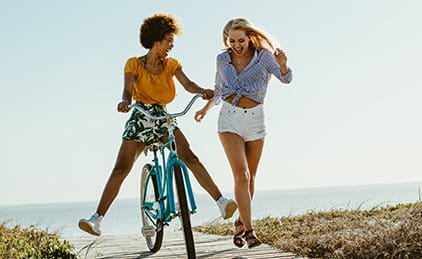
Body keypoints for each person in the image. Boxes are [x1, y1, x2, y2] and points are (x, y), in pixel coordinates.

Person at [78, 13, 237, 236]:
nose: (171, 45)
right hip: (140, 116)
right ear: (155, 40)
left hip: (162, 118)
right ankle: (96, 219)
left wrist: (201, 91)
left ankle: (221, 202)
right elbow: (127, 91)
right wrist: (125, 102)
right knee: (121, 168)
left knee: (189, 157)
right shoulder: (134, 64)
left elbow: (188, 84)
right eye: (168, 40)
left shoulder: (172, 65)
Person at [194, 17, 293, 249]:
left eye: (241, 40)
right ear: (226, 40)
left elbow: (286, 79)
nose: (236, 45)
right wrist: (205, 109)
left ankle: (240, 221)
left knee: (251, 178)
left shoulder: (265, 57)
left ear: (249, 37)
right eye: (232, 41)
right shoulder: (222, 59)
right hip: (229, 119)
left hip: (256, 120)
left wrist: (283, 64)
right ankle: (250, 231)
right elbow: (219, 89)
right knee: (242, 175)